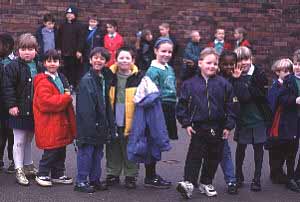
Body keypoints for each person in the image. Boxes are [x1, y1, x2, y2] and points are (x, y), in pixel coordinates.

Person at [3, 33, 43, 186]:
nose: (27, 52)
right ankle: (19, 168)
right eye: (24, 49)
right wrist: (12, 105)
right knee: (19, 140)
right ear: (18, 50)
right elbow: (8, 88)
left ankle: (28, 165)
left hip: (34, 110)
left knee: (28, 139)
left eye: (31, 49)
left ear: (36, 50)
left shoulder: (39, 66)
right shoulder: (12, 67)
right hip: (18, 110)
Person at [74, 47, 115, 193]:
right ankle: (81, 181)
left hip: (100, 123)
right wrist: (94, 124)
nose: (98, 60)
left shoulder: (102, 78)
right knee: (86, 153)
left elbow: (105, 103)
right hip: (89, 125)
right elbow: (86, 109)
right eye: (95, 57)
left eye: (102, 58)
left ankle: (94, 180)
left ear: (106, 62)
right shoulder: (87, 80)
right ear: (90, 60)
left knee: (98, 154)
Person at [33, 49, 75, 187]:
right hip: (49, 121)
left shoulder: (61, 77)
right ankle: (42, 174)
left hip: (61, 120)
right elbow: (46, 102)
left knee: (60, 149)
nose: (52, 64)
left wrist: (66, 94)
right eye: (49, 61)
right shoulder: (43, 81)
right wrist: (66, 97)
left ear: (59, 63)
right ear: (44, 63)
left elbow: (65, 91)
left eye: (55, 61)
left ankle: (58, 174)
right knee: (51, 150)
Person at [233, 46, 272, 192]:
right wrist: (237, 80)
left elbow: (256, 94)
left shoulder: (259, 74)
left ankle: (257, 179)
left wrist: (243, 84)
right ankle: (238, 177)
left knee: (258, 149)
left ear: (251, 59)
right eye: (240, 60)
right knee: (240, 148)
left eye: (246, 59)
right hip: (242, 119)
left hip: (258, 118)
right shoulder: (234, 75)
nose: (243, 63)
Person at [106, 46, 143, 189]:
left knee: (130, 147)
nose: (124, 60)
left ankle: (130, 175)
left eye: (128, 58)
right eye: (121, 57)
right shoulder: (109, 76)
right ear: (116, 59)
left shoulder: (139, 77)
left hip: (132, 116)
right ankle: (113, 173)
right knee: (113, 145)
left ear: (133, 60)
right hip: (114, 115)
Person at [266, 58, 299, 192]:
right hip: (278, 121)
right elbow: (276, 101)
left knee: (290, 149)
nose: (286, 74)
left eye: (288, 71)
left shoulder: (289, 83)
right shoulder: (276, 85)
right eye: (283, 71)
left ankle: (288, 176)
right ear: (277, 72)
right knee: (276, 150)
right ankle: (276, 173)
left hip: (289, 121)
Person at [216, 51, 240, 194]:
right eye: (225, 64)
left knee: (224, 152)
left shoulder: (236, 80)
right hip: (209, 122)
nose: (229, 67)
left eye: (232, 64)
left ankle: (231, 180)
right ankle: (198, 181)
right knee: (202, 153)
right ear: (220, 65)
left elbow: (235, 104)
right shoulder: (215, 78)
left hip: (224, 123)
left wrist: (229, 125)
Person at [57, 5, 84, 91]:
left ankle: (73, 85)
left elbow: (81, 39)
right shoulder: (62, 25)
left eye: (71, 14)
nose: (69, 15)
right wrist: (58, 49)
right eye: (68, 14)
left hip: (74, 53)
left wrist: (79, 50)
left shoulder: (79, 26)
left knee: (74, 69)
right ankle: (66, 85)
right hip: (64, 51)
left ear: (75, 15)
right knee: (65, 69)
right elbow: (59, 37)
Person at [0, 33, 15, 173]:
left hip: (10, 105)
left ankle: (13, 160)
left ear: (7, 46)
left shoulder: (14, 63)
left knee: (12, 134)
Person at [290, 49, 300, 189]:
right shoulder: (290, 80)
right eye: (296, 63)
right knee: (292, 148)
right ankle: (291, 177)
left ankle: (298, 175)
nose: (298, 67)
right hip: (293, 119)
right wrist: (295, 100)